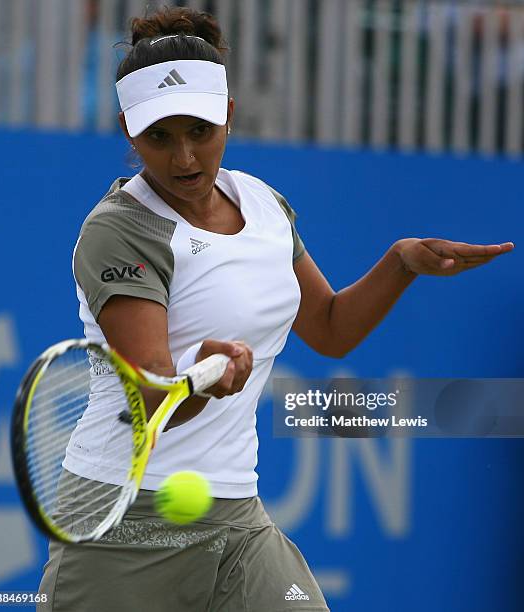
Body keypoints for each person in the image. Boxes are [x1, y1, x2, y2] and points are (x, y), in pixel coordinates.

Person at [38, 6, 514, 612]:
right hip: (124, 521)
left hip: (236, 517)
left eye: (200, 131)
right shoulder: (120, 232)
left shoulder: (263, 204)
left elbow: (331, 328)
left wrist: (400, 264)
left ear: (228, 116)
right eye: (159, 137)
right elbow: (150, 401)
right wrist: (205, 377)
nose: (184, 158)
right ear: (129, 132)